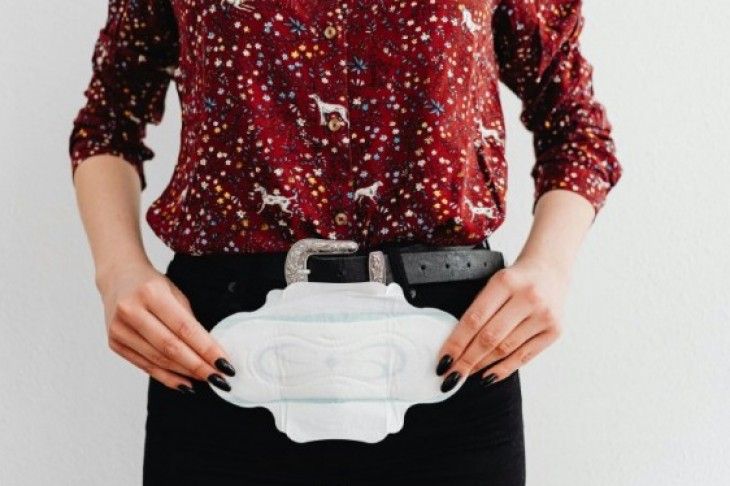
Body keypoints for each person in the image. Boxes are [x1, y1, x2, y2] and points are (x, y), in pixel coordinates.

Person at [68, 0, 622, 484]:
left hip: (450, 366)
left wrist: (550, 267)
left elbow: (575, 124)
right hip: (219, 362)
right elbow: (109, 118)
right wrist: (118, 271)